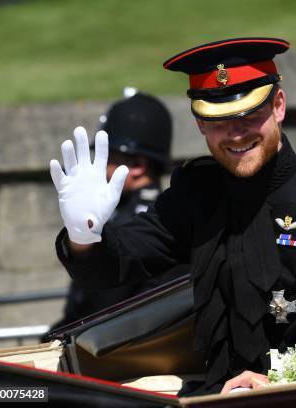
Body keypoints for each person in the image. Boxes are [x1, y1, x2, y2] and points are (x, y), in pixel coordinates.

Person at [48, 38, 296, 394]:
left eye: (249, 115)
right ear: (200, 123)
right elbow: (118, 264)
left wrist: (278, 382)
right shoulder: (195, 194)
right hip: (212, 396)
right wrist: (85, 235)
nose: (236, 133)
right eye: (218, 120)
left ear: (278, 106)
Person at [45, 90, 185, 335]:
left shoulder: (146, 219)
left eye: (107, 157)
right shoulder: (124, 211)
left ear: (138, 166)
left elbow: (99, 305)